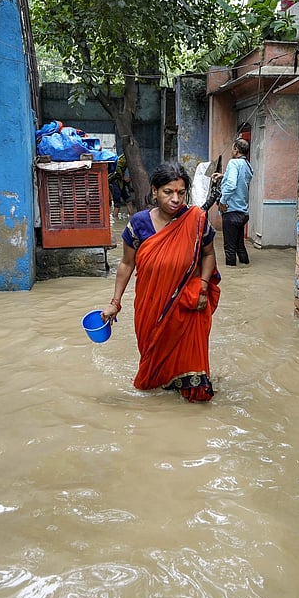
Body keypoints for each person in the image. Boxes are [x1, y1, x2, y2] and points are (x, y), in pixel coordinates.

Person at [101, 162, 221, 402]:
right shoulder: (139, 223)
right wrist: (115, 303)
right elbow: (126, 264)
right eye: (168, 192)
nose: (175, 199)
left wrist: (203, 286)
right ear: (154, 191)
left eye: (181, 193)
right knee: (152, 367)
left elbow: (208, 254)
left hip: (187, 305)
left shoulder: (196, 220)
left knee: (192, 377)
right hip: (150, 306)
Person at [217, 138, 253, 266]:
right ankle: (245, 267)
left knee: (229, 248)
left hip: (231, 212)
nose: (232, 151)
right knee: (240, 246)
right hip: (243, 213)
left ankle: (231, 270)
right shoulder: (248, 165)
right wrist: (223, 176)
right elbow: (241, 180)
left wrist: (222, 201)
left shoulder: (233, 163)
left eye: (233, 148)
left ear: (236, 150)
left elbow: (231, 185)